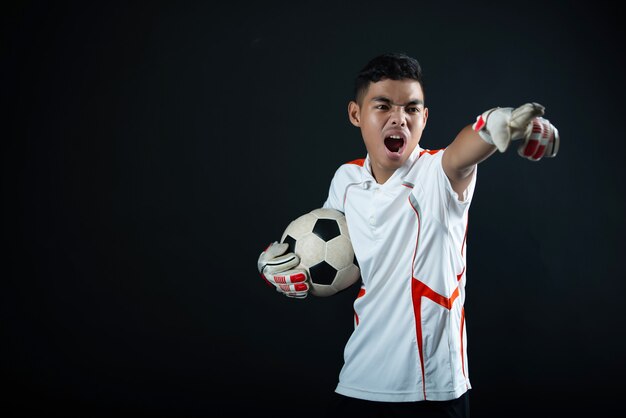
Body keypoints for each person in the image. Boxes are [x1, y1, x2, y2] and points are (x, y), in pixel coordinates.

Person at [257, 52, 559, 418]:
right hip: (359, 377)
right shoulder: (347, 180)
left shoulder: (437, 172)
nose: (398, 118)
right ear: (356, 114)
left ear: (424, 118)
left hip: (431, 388)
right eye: (382, 105)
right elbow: (324, 247)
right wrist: (278, 265)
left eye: (411, 109)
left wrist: (499, 125)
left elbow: (463, 153)